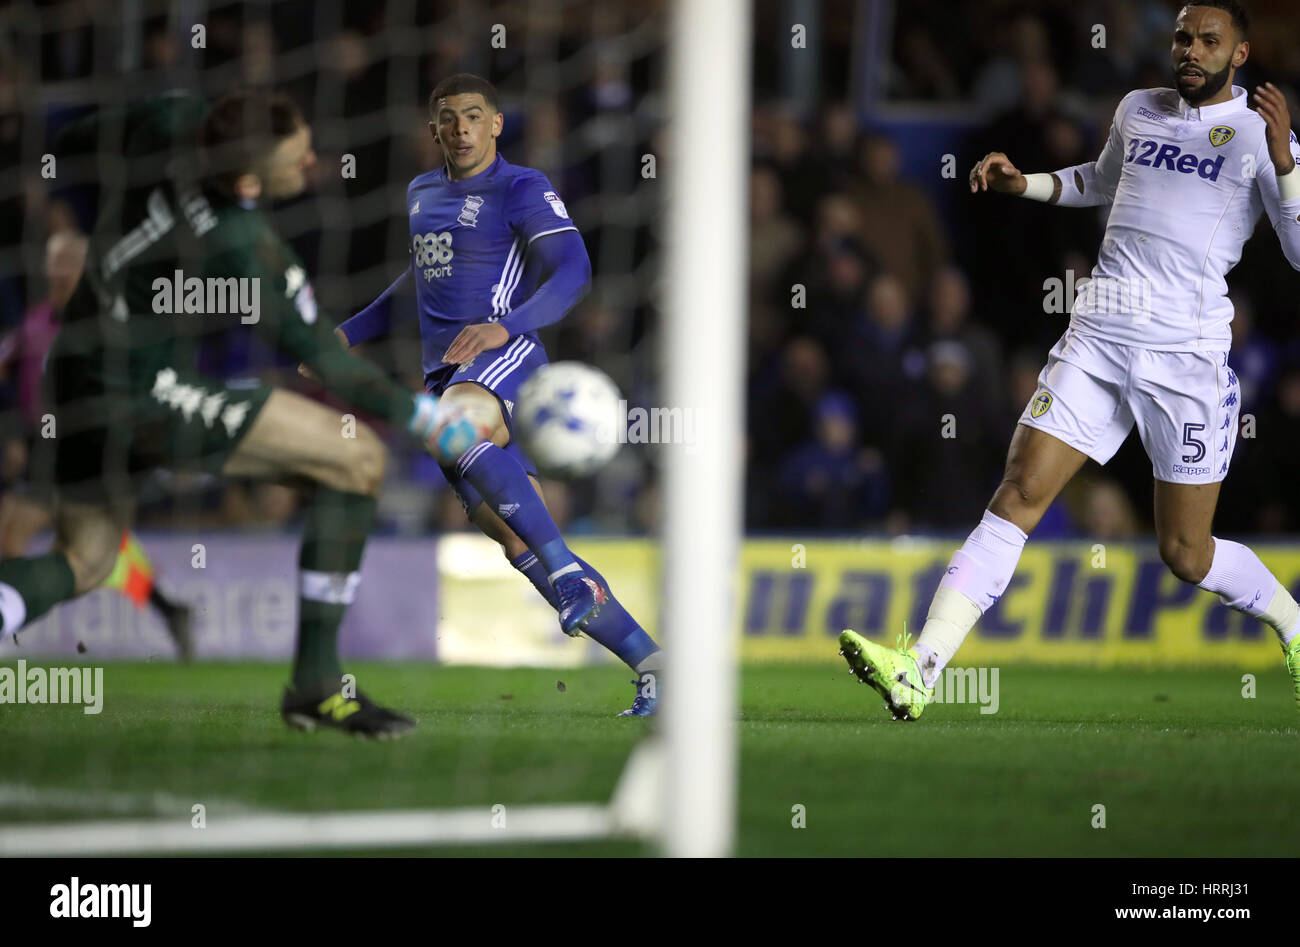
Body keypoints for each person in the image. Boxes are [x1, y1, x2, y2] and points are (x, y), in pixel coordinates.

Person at [839, 0, 1300, 720]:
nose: (1191, 50)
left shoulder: (1257, 137)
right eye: (1182, 36)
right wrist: (1027, 182)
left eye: (1209, 40)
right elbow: (1100, 181)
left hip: (1184, 360)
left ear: (1239, 54)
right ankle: (918, 667)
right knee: (1018, 493)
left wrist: (1286, 164)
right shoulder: (1137, 109)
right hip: (1098, 337)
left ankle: (1293, 620)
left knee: (1186, 552)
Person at [0, 88, 456, 737]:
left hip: (73, 374)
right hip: (144, 392)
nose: (312, 163)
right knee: (358, 458)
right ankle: (318, 685)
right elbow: (327, 360)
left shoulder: (171, 116)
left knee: (87, 558)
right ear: (247, 179)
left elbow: (77, 140)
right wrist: (423, 415)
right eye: (296, 160)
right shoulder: (243, 248)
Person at [329, 74, 663, 716]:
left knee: (448, 424)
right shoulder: (421, 192)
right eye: (449, 118)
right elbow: (418, 283)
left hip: (502, 356)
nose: (461, 128)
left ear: (497, 124)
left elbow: (575, 269)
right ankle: (653, 663)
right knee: (515, 540)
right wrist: (348, 333)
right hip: (447, 373)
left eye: (474, 116)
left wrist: (505, 326)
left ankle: (567, 571)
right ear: (434, 131)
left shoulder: (522, 186)